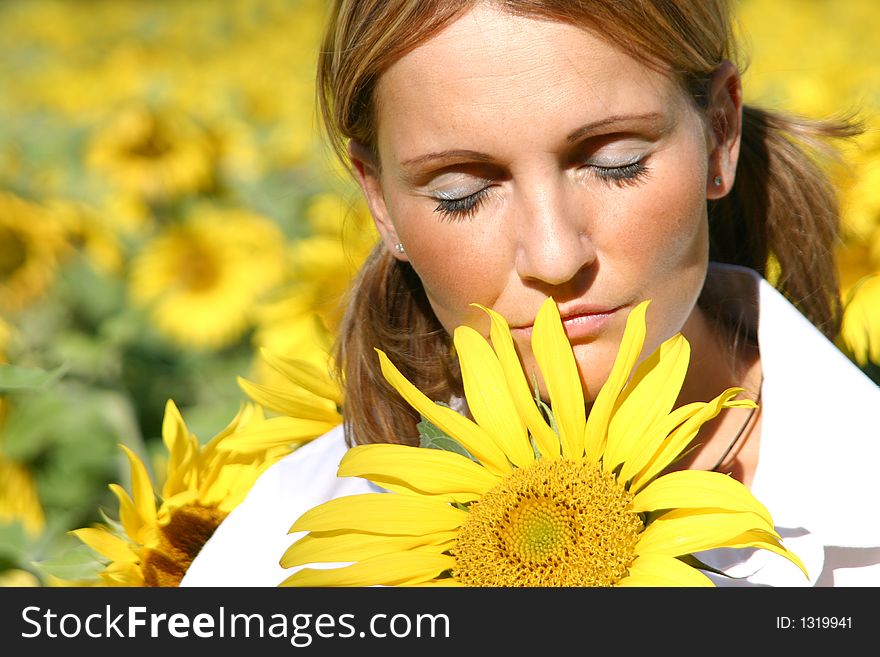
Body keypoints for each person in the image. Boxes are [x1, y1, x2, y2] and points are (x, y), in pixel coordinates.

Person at [181, 0, 880, 587]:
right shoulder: (277, 553)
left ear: (720, 134)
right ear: (381, 202)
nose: (553, 256)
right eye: (463, 194)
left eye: (616, 163)